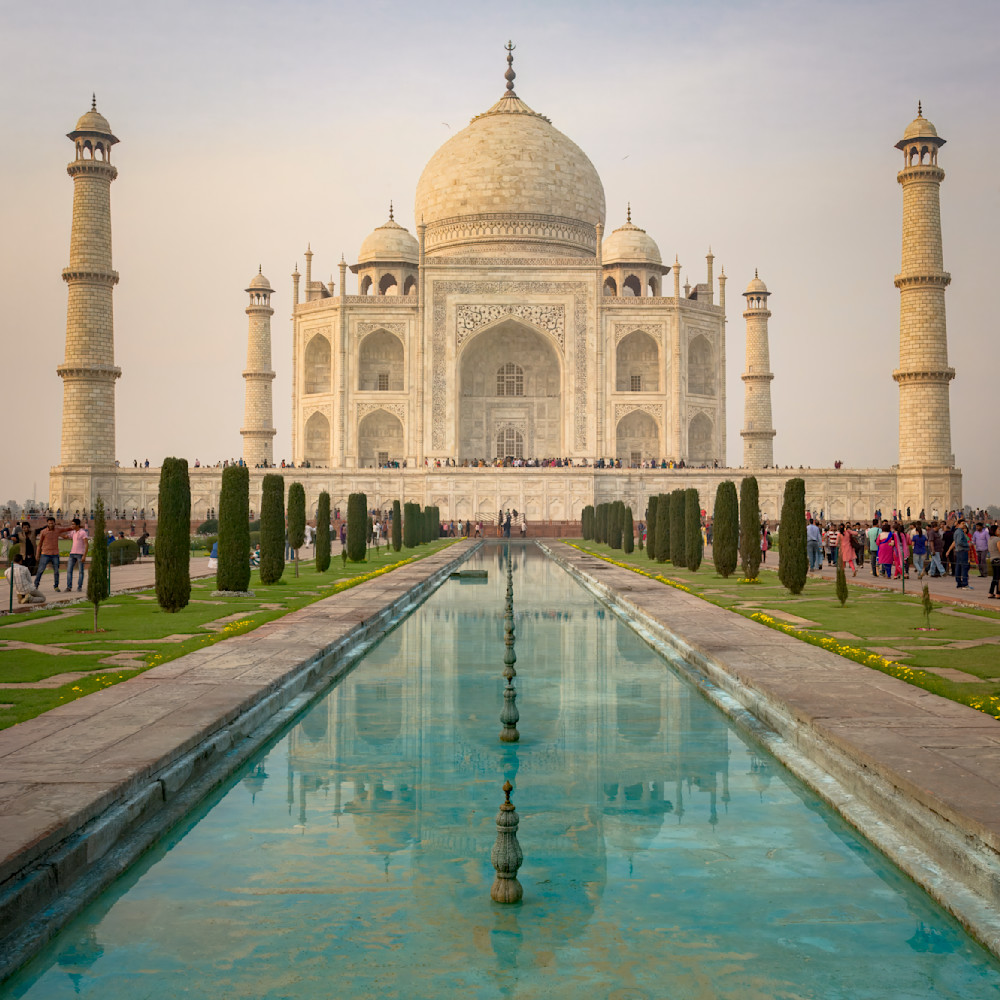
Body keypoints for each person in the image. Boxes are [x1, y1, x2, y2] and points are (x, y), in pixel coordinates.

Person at [34, 516, 65, 591]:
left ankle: (56, 586)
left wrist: (77, 526)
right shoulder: (44, 532)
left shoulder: (57, 530)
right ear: (47, 523)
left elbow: (67, 528)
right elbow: (40, 544)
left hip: (55, 554)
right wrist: (37, 554)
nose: (51, 524)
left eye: (52, 523)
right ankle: (35, 585)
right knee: (40, 570)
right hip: (45, 553)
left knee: (56, 571)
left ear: (54, 523)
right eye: (49, 523)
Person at [947, 518, 972, 589]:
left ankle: (959, 583)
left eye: (964, 523)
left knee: (958, 567)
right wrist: (967, 545)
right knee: (964, 567)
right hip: (962, 551)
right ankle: (964, 583)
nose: (964, 525)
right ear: (958, 524)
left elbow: (956, 542)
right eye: (962, 523)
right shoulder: (960, 532)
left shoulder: (957, 532)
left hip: (958, 551)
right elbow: (959, 542)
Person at [66, 518, 89, 592]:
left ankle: (79, 587)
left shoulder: (83, 532)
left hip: (80, 554)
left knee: (81, 571)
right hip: (72, 554)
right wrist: (57, 532)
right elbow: (66, 537)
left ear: (77, 525)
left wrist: (84, 555)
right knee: (69, 571)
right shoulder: (73, 532)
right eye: (71, 524)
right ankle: (69, 587)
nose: (72, 525)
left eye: (73, 524)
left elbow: (86, 544)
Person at [987, 525, 1000, 599]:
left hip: (992, 559)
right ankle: (998, 593)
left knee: (995, 577)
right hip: (998, 559)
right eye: (998, 530)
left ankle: (991, 592)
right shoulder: (997, 539)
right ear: (995, 531)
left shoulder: (990, 539)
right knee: (999, 578)